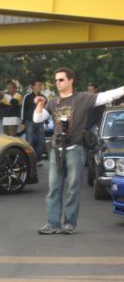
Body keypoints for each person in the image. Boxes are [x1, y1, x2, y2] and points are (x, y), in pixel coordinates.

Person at [34, 67, 124, 235]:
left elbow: (109, 95)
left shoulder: (83, 98)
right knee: (54, 188)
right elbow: (37, 118)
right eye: (56, 80)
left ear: (70, 80)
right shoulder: (53, 102)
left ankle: (69, 223)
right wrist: (40, 105)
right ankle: (53, 223)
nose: (57, 83)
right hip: (56, 149)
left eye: (61, 80)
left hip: (75, 148)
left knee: (72, 189)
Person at [21, 80, 47, 166]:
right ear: (33, 86)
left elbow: (46, 110)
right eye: (38, 85)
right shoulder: (27, 97)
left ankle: (38, 160)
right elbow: (23, 109)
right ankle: (29, 160)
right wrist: (23, 122)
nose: (40, 87)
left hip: (40, 123)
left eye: (41, 85)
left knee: (41, 141)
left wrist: (46, 122)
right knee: (29, 141)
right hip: (29, 122)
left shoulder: (43, 97)